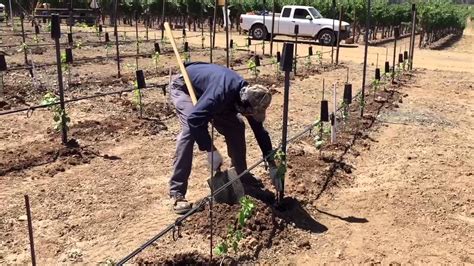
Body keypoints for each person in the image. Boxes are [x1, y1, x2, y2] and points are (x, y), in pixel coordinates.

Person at [168, 62, 279, 214]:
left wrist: (272, 163)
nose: (251, 116)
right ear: (243, 105)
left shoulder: (252, 99)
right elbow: (194, 120)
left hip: (211, 94)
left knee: (237, 126)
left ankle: (241, 175)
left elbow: (260, 131)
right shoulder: (221, 94)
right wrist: (210, 149)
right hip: (185, 86)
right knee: (189, 131)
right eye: (250, 112)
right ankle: (177, 192)